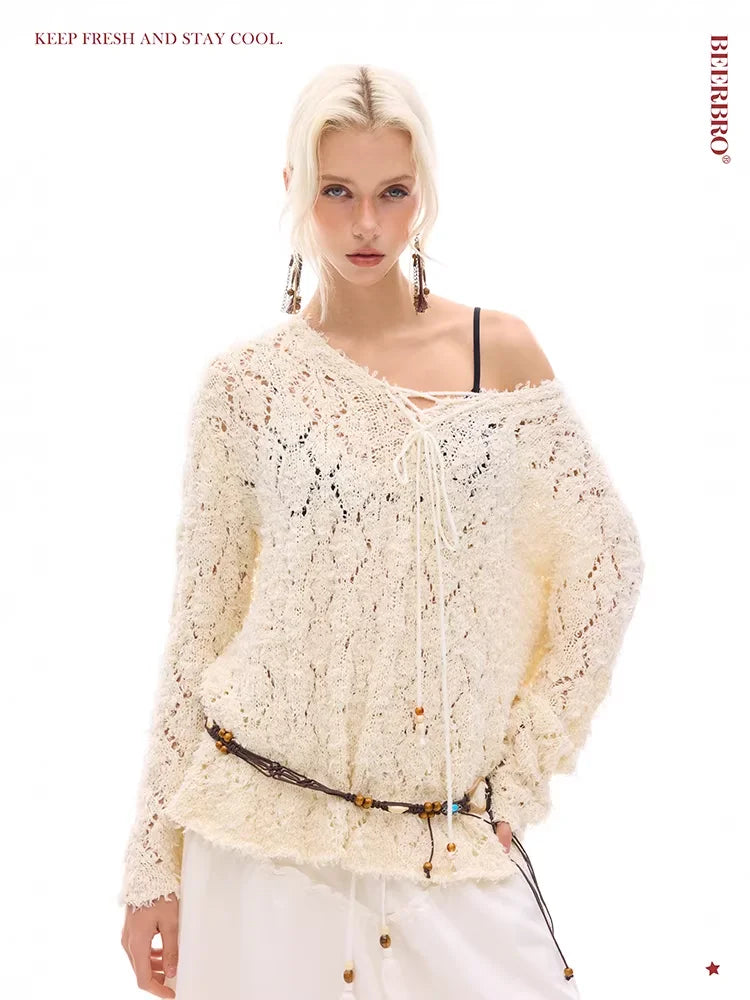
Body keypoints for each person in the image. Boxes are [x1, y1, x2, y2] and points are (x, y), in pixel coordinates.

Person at [119, 64, 645, 1000]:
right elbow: (199, 629)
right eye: (338, 192)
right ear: (295, 189)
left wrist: (518, 777)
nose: (366, 223)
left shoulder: (498, 354)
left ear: (422, 194)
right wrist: (150, 866)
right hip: (259, 842)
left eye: (392, 192)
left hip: (445, 836)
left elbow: (606, 565)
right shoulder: (245, 389)